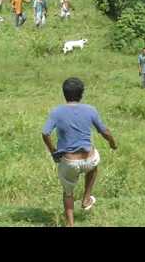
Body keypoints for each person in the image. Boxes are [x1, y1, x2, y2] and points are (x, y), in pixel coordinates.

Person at [42, 77, 117, 227]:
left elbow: (45, 133)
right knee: (94, 166)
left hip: (69, 162)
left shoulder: (56, 112)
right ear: (81, 94)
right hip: (88, 160)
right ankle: (86, 198)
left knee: (68, 193)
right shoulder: (90, 110)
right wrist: (112, 143)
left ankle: (70, 224)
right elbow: (105, 132)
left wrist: (54, 152)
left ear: (64, 94)